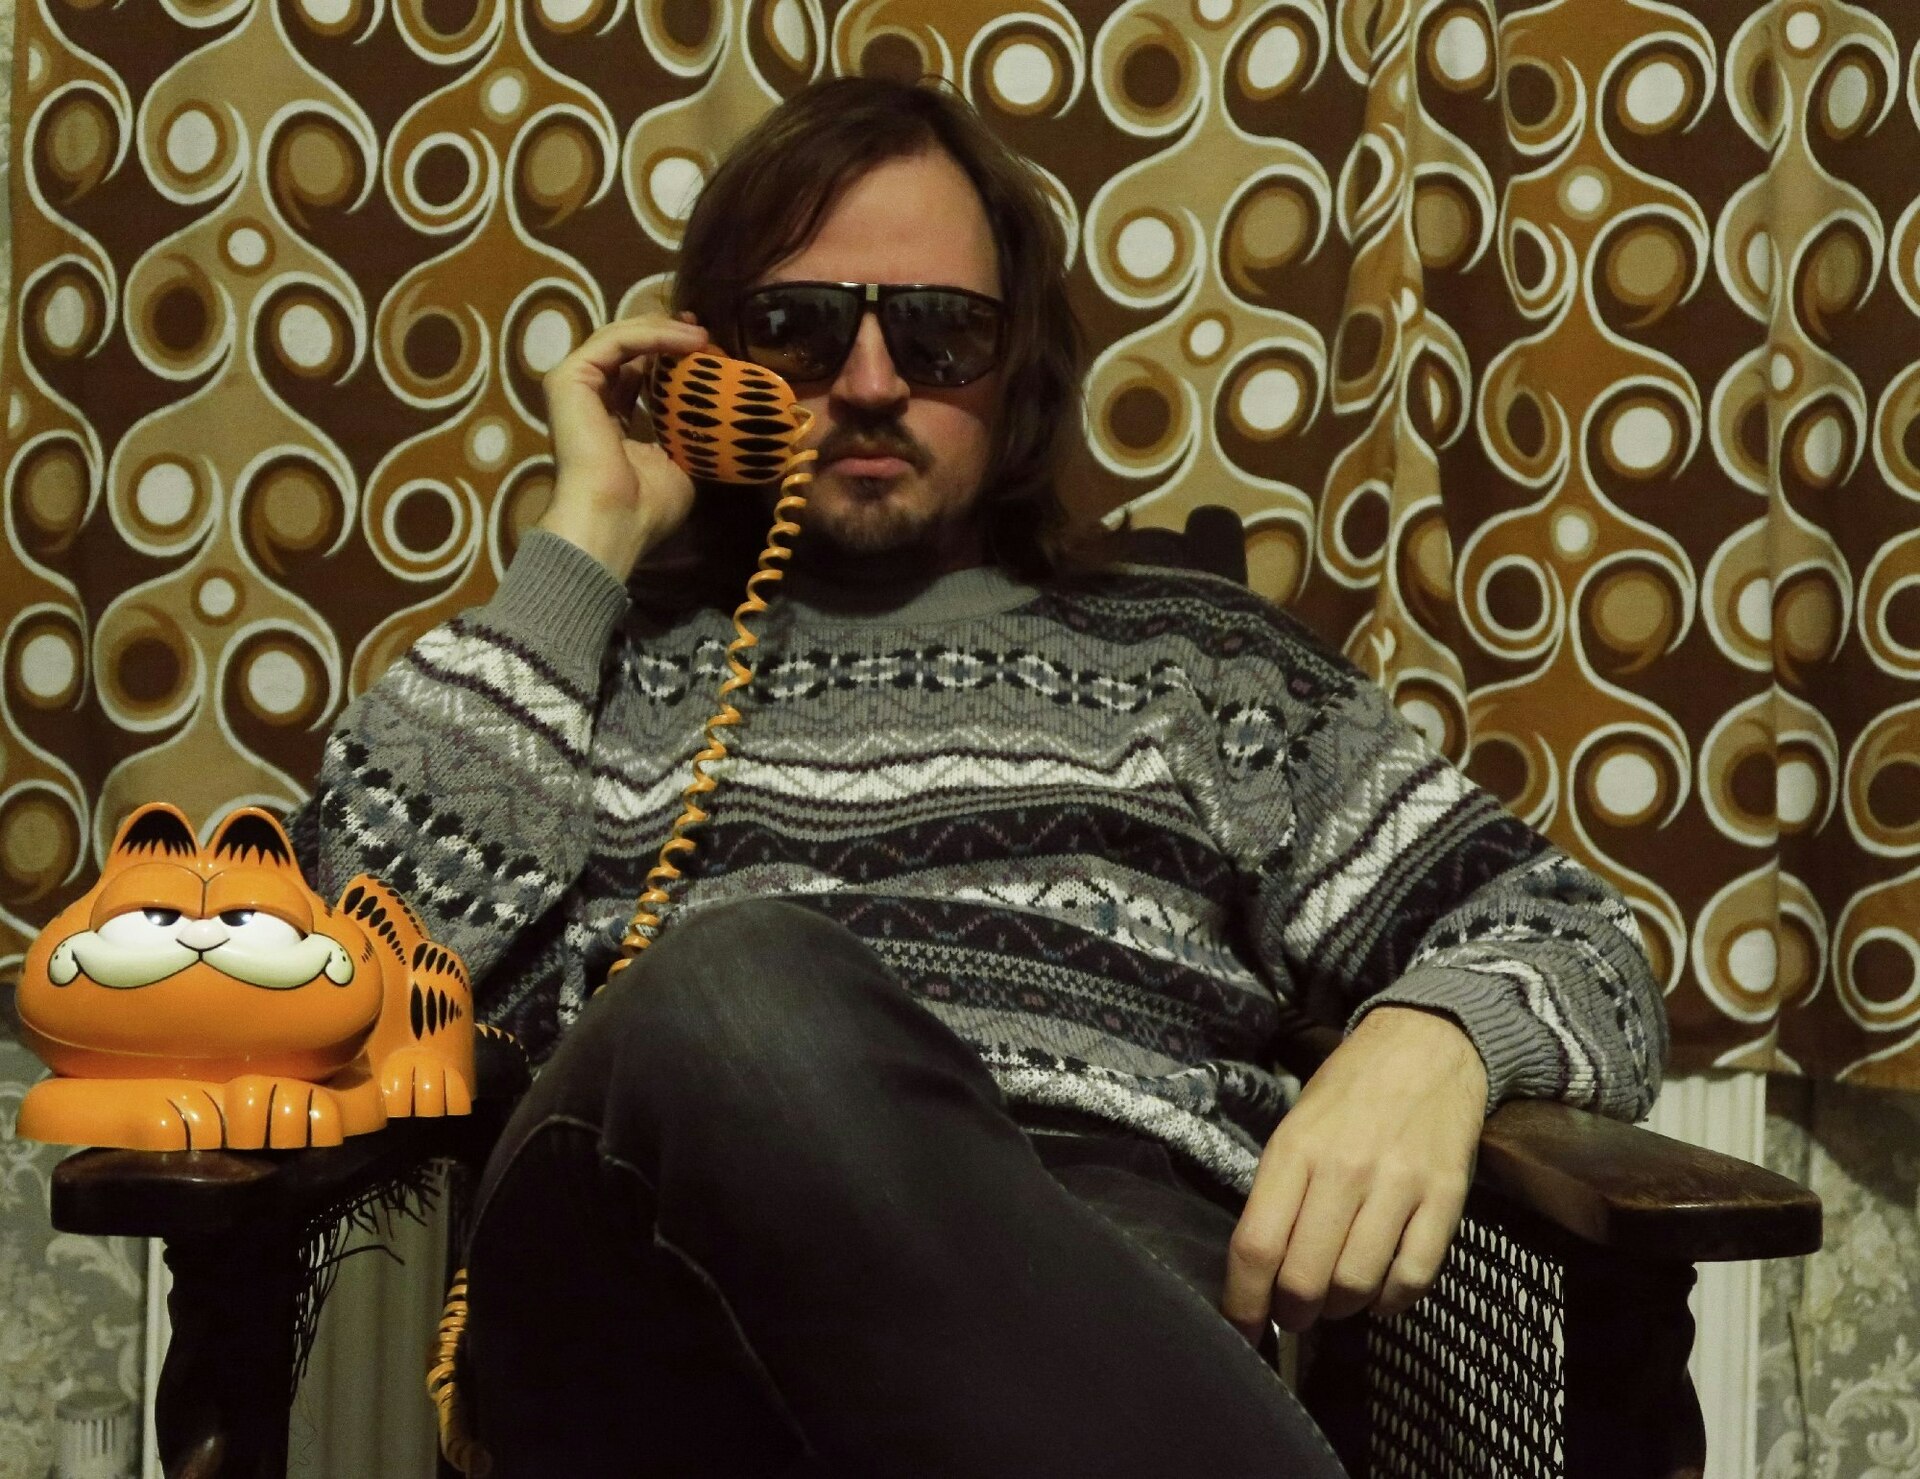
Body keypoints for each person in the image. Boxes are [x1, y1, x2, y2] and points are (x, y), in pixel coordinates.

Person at [295, 75, 1666, 1477]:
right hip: (649, 1321)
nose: (870, 384)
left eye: (940, 333)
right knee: (744, 983)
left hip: (1094, 1268)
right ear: (709, 359)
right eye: (799, 329)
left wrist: (1434, 1042)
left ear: (1020, 372)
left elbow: (1583, 943)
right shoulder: (598, 656)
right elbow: (342, 957)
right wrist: (589, 532)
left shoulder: (1206, 669)